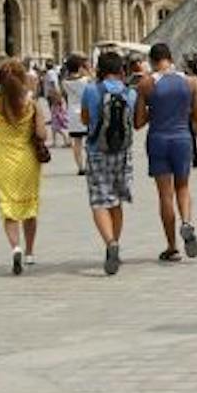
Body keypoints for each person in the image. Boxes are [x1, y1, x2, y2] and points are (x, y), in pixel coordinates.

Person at [137, 43, 197, 263]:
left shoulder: (146, 83)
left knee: (165, 194)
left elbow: (138, 122)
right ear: (170, 57)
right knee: (183, 187)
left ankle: (172, 247)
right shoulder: (190, 81)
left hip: (158, 139)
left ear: (152, 60)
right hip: (182, 138)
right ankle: (186, 222)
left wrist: (154, 110)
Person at [81, 50, 137, 275]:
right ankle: (116, 242)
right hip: (122, 153)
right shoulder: (130, 93)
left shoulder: (91, 90)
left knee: (99, 201)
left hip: (97, 150)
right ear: (121, 70)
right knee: (116, 201)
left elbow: (85, 119)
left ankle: (110, 243)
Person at [0, 60, 48, 274]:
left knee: (9, 209)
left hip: (3, 160)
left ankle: (16, 247)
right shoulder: (31, 104)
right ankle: (30, 252)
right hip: (27, 160)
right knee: (29, 207)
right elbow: (42, 135)